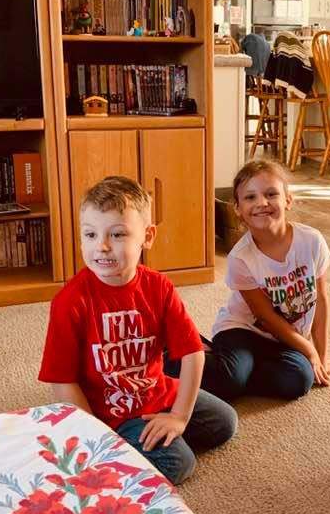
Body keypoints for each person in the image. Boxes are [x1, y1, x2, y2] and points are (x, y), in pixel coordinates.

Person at [38, 175, 237, 484]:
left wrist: (179, 417)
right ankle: (133, 445)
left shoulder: (159, 287)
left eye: (117, 235)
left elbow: (193, 354)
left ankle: (157, 435)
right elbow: (63, 381)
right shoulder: (70, 301)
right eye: (89, 235)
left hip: (156, 392)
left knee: (225, 422)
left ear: (147, 236)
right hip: (111, 414)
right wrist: (97, 439)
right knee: (179, 463)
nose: (101, 247)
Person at [184, 159, 330, 402]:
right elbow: (266, 316)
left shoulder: (312, 241)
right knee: (230, 380)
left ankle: (239, 372)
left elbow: (320, 300)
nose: (261, 203)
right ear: (237, 208)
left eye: (271, 194)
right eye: (250, 197)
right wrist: (308, 350)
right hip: (242, 330)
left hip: (285, 338)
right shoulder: (241, 258)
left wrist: (320, 355)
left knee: (300, 379)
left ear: (288, 200)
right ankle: (196, 353)